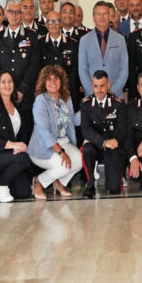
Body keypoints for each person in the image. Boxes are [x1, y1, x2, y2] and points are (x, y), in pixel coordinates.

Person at [28, 65, 83, 199]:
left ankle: (59, 182)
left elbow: (72, 121)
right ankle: (38, 181)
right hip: (43, 145)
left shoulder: (66, 97)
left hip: (63, 141)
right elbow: (44, 131)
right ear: (44, 82)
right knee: (64, 165)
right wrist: (61, 152)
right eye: (49, 79)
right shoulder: (41, 100)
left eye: (56, 79)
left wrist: (85, 111)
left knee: (80, 161)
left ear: (61, 81)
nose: (53, 83)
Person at [0, 71, 34, 202]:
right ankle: (0, 185)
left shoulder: (17, 105)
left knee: (24, 192)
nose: (7, 85)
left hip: (11, 154)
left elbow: (21, 134)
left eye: (10, 81)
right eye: (3, 82)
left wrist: (18, 146)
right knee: (24, 159)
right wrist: (13, 145)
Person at [79, 71, 130, 197]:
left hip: (113, 144)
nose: (99, 90)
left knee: (114, 190)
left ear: (108, 85)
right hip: (97, 145)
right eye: (96, 86)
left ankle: (119, 177)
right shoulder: (86, 104)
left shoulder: (118, 103)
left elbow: (122, 128)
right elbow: (85, 129)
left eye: (102, 86)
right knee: (86, 149)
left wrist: (113, 141)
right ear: (92, 86)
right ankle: (90, 184)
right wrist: (103, 142)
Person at [0, 2, 40, 105]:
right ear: (6, 14)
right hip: (4, 94)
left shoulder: (32, 36)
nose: (14, 15)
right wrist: (4, 88)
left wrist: (22, 89)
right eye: (11, 12)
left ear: (22, 15)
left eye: (17, 12)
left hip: (26, 94)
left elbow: (34, 65)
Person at [78, 1, 129, 98]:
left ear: (110, 16)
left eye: (105, 13)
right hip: (92, 97)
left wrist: (112, 91)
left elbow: (124, 69)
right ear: (93, 17)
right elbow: (82, 70)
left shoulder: (120, 39)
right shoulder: (84, 40)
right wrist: (93, 92)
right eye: (98, 14)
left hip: (115, 96)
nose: (102, 17)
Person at [38, 10, 82, 108]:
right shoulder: (39, 43)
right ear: (46, 24)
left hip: (68, 93)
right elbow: (38, 70)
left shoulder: (73, 44)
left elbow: (75, 71)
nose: (53, 24)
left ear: (61, 23)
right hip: (46, 94)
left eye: (57, 21)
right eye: (50, 21)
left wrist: (66, 89)